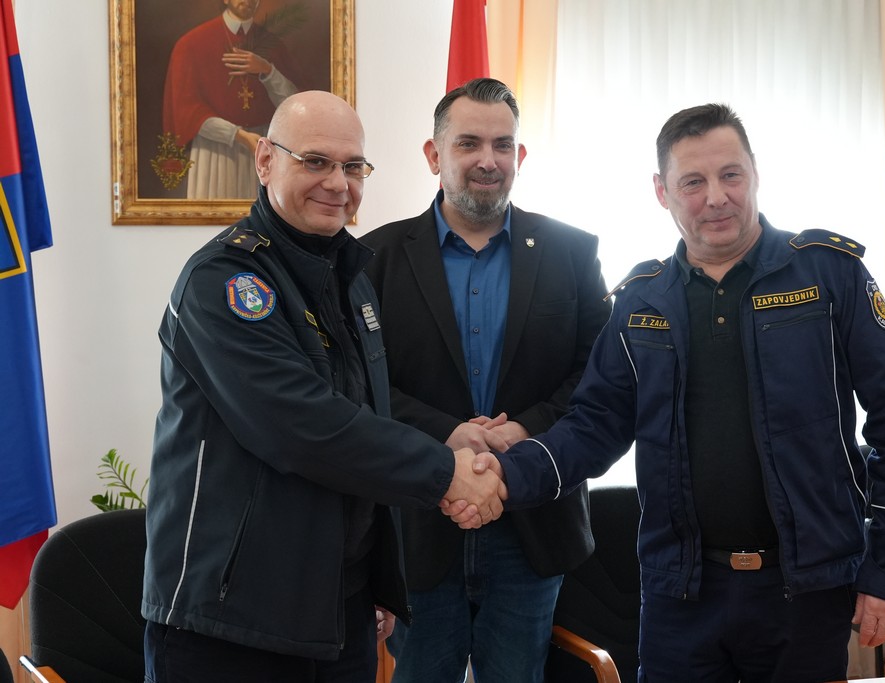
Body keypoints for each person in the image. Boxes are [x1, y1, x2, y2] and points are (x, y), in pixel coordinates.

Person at [451, 103, 885, 683]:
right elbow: (594, 425)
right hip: (680, 594)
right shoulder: (641, 300)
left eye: (731, 175)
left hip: (807, 591)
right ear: (663, 192)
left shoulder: (831, 276)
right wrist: (506, 475)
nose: (716, 197)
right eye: (693, 182)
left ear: (755, 174)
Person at [141, 90, 506, 683]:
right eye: (315, 161)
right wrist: (447, 473)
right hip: (231, 622)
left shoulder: (352, 279)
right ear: (265, 160)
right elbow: (303, 426)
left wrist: (377, 577)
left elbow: (367, 415)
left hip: (337, 609)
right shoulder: (224, 281)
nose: (338, 183)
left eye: (353, 166)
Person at [361, 77, 611, 683]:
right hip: (419, 525)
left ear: (520, 156)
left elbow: (597, 374)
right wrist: (448, 433)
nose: (487, 160)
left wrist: (523, 429)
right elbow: (360, 382)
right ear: (434, 155)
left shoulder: (572, 253)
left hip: (534, 528)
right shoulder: (373, 259)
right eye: (468, 143)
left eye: (503, 145)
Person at [163, 0, 301, 199]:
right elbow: (187, 111)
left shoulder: (273, 45)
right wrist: (238, 135)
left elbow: (292, 104)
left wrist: (267, 70)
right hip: (215, 151)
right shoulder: (191, 43)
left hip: (261, 148)